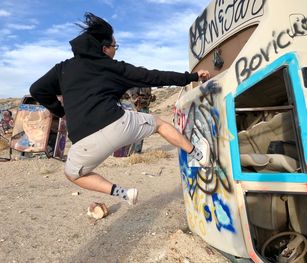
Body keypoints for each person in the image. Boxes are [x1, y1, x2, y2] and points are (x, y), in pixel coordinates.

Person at [30, 12, 210, 205]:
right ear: (104, 48)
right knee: (159, 124)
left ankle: (123, 193)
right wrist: (191, 77)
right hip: (117, 124)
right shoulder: (113, 67)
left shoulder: (63, 69)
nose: (115, 50)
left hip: (84, 141)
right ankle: (197, 154)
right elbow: (153, 77)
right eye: (114, 46)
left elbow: (37, 90)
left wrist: (61, 112)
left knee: (72, 173)